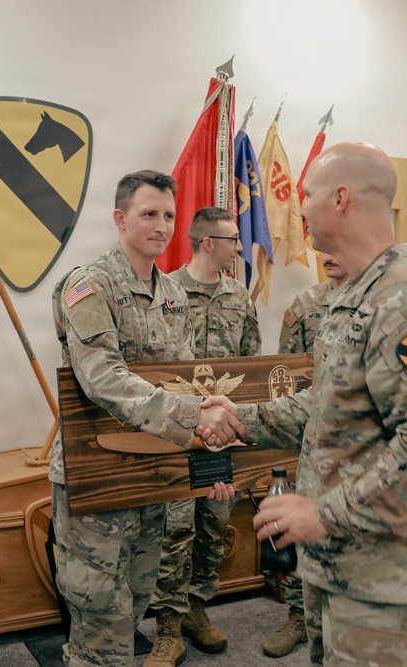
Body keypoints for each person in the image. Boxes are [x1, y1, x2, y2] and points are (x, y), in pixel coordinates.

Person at [205, 142, 407, 666]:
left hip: (383, 569)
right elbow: (329, 405)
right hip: (341, 556)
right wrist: (243, 418)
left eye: (306, 194)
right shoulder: (356, 294)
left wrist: (323, 514)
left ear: (341, 198)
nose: (298, 206)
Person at [50, 171, 241, 667]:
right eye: (149, 214)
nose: (162, 225)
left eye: (169, 216)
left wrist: (212, 467)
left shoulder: (171, 292)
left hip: (153, 475)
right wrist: (193, 412)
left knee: (134, 605)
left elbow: (181, 380)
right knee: (98, 619)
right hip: (99, 475)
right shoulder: (89, 286)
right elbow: (103, 378)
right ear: (120, 219)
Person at [146, 206, 259, 665]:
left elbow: (251, 365)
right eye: (233, 239)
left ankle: (195, 610)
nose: (239, 246)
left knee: (213, 526)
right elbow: (154, 368)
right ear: (208, 243)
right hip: (179, 433)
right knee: (174, 531)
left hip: (223, 438)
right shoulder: (166, 293)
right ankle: (167, 629)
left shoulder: (240, 297)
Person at [263, 250, 347, 659]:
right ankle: (299, 615)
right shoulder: (306, 306)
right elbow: (285, 376)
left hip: (354, 450)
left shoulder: (379, 305)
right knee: (300, 528)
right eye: (323, 250)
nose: (330, 255)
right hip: (309, 436)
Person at [277, 252, 347, 355]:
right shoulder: (305, 302)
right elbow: (288, 365)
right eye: (323, 248)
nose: (328, 257)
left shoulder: (374, 299)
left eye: (334, 248)